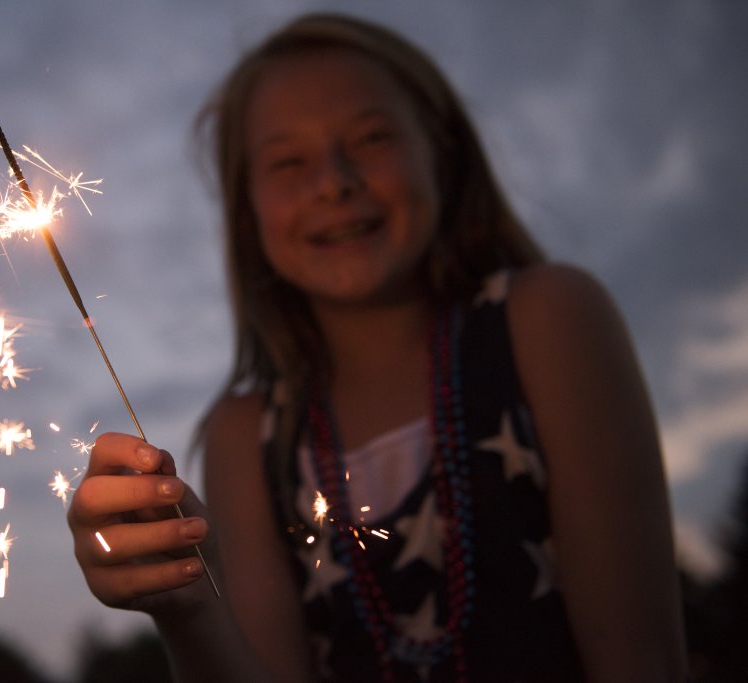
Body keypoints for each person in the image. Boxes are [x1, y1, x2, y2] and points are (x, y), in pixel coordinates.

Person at [67, 12, 687, 682]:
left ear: (441, 150)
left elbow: (641, 662)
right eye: (288, 161)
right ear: (248, 210)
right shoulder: (246, 438)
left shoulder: (546, 322)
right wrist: (191, 609)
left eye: (371, 138)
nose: (333, 182)